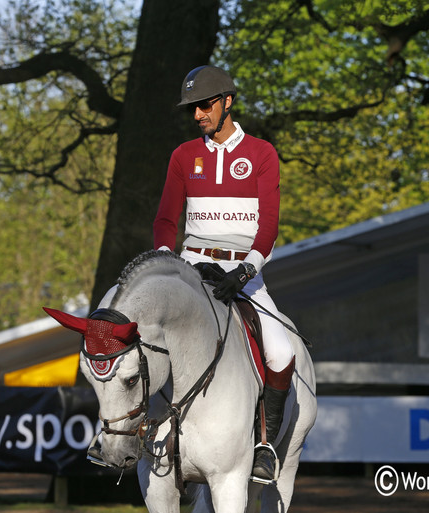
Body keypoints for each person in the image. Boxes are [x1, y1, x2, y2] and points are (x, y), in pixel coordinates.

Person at [153, 65, 295, 483]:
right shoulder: (183, 156)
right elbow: (166, 218)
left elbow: (268, 225)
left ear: (227, 101)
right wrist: (165, 260)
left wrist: (248, 268)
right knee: (147, 334)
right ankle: (133, 433)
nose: (198, 114)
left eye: (205, 104)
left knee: (282, 353)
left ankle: (264, 444)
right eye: (192, 108)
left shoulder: (262, 154)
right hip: (191, 266)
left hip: (244, 272)